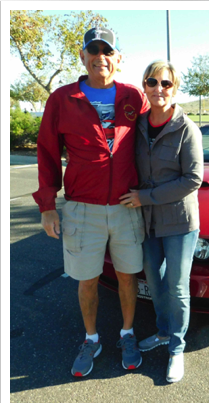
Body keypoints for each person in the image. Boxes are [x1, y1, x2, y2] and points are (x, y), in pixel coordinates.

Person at [32, 27, 150, 377]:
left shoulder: (133, 96)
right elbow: (47, 154)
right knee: (87, 280)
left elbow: (154, 139)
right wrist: (47, 205)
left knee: (129, 277)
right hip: (83, 208)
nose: (101, 56)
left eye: (107, 50)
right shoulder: (63, 99)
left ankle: (127, 334)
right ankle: (91, 338)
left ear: (118, 58)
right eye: (93, 50)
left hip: (127, 206)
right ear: (83, 57)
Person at [120, 61, 204, 383]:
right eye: (152, 82)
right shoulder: (138, 126)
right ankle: (164, 331)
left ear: (175, 88)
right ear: (144, 86)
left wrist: (146, 198)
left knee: (178, 286)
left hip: (180, 222)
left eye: (166, 84)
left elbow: (193, 179)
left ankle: (177, 349)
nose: (159, 89)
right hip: (148, 222)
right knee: (154, 281)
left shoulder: (187, 129)